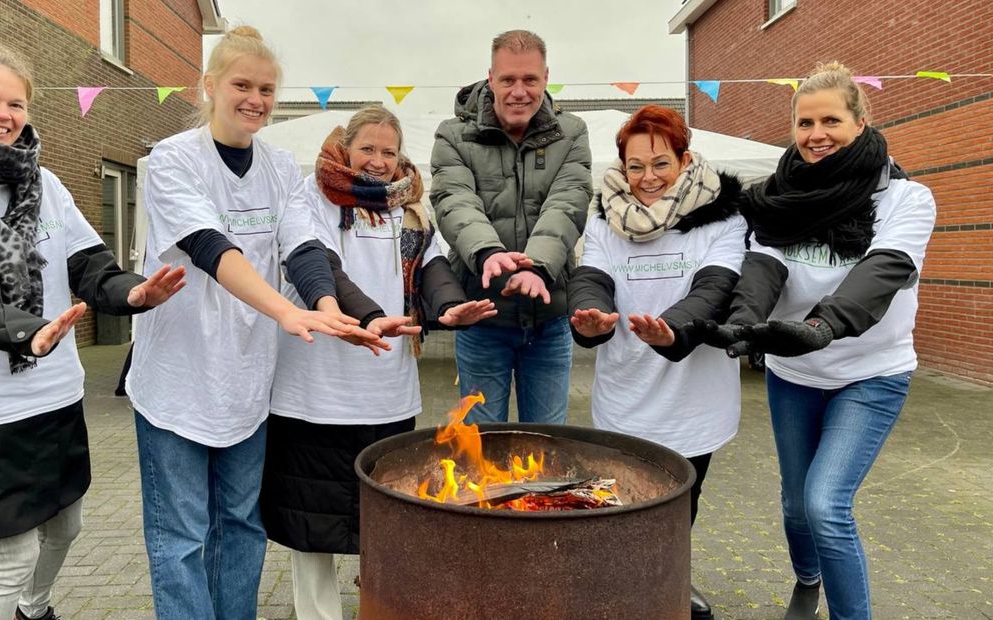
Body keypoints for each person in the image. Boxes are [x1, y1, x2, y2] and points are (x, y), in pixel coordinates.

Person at [0, 45, 185, 620]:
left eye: (16, 102)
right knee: (9, 558)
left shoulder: (44, 181)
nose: (3, 112)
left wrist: (133, 292)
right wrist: (28, 331)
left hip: (52, 394)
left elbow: (87, 262)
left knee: (66, 524)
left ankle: (36, 609)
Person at [124, 27, 387, 619]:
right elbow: (212, 249)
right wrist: (286, 310)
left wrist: (323, 305)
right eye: (242, 85)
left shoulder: (279, 167)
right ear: (209, 86)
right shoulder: (171, 160)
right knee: (182, 535)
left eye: (267, 89)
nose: (255, 99)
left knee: (241, 524)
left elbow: (303, 247)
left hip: (245, 382)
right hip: (177, 383)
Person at [703, 62, 937, 620]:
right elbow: (764, 267)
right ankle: (806, 580)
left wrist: (821, 327)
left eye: (831, 119)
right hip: (795, 375)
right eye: (805, 123)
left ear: (860, 121)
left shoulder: (907, 198)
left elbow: (882, 270)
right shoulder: (779, 198)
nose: (816, 135)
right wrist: (744, 322)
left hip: (871, 373)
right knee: (794, 504)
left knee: (825, 504)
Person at [261, 105, 496, 620]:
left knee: (386, 522)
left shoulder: (410, 207)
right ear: (346, 148)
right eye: (367, 148)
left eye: (388, 151)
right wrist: (368, 315)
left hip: (387, 395)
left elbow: (431, 269)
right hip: (314, 395)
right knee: (311, 524)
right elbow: (316, 263)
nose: (377, 161)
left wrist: (448, 307)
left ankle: (378, 608)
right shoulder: (310, 196)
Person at [567, 105, 747, 620]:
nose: (648, 178)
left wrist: (674, 328)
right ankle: (629, 589)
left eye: (661, 164)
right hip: (625, 391)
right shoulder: (606, 216)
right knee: (621, 501)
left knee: (677, 506)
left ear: (684, 160)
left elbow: (716, 284)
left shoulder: (722, 216)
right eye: (636, 166)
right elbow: (592, 276)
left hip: (694, 395)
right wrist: (589, 314)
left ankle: (665, 586)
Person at [430, 29, 592, 425]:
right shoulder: (453, 135)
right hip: (483, 317)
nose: (519, 91)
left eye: (530, 79)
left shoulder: (571, 133)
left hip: (549, 317)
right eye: (508, 80)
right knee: (481, 442)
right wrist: (488, 252)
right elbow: (454, 200)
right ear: (491, 78)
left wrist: (537, 265)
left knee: (547, 438)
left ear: (546, 77)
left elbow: (568, 201)